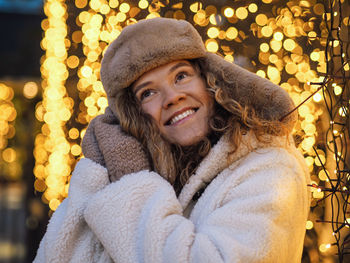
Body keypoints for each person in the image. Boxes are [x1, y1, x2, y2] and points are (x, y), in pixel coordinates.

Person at [34, 17, 310, 263]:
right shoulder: (148, 171)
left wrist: (132, 184)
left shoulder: (270, 167)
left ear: (210, 82)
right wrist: (98, 176)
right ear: (135, 114)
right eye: (148, 93)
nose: (172, 97)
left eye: (181, 76)